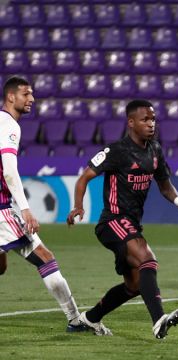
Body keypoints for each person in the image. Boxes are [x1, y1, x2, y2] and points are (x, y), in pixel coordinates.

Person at [66, 99, 178, 339]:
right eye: (145, 119)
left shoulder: (155, 150)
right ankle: (159, 320)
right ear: (131, 122)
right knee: (148, 259)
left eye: (153, 119)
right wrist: (77, 206)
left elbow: (165, 185)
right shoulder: (117, 151)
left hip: (131, 225)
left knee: (135, 285)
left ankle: (88, 319)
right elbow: (83, 179)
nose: (151, 124)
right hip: (112, 221)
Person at [0, 76, 88, 332]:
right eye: (26, 94)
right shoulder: (9, 126)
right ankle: (75, 319)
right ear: (11, 97)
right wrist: (25, 209)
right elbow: (9, 171)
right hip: (3, 208)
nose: (32, 99)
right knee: (45, 258)